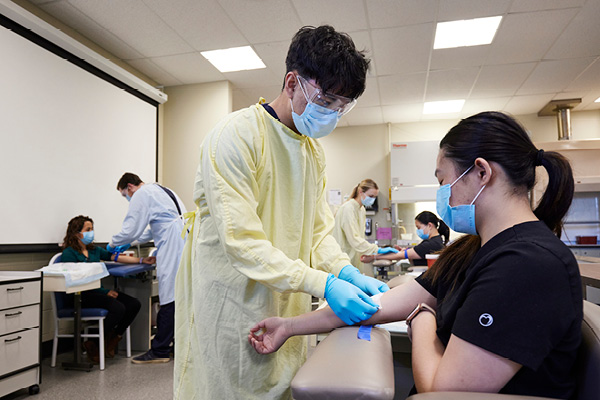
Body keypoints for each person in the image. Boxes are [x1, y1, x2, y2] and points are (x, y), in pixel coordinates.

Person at [249, 111, 582, 399]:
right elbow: (375, 307)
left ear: (482, 172)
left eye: (443, 180)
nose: (442, 194)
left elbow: (442, 391)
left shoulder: (528, 265)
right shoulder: (473, 250)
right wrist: (289, 326)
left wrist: (423, 318)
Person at [174, 25, 389, 399]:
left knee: (285, 384)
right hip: (231, 299)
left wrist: (345, 271)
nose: (332, 114)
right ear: (292, 83)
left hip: (286, 296)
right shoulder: (236, 136)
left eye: (342, 107)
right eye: (327, 101)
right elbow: (241, 241)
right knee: (229, 386)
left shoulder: (311, 152)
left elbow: (319, 232)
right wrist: (323, 284)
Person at [109, 172, 187, 364]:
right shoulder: (163, 190)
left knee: (169, 295)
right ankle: (177, 346)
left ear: (130, 187)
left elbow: (131, 228)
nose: (127, 199)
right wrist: (132, 241)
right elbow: (151, 229)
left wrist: (113, 243)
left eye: (124, 195)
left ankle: (160, 350)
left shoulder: (142, 194)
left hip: (172, 244)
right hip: (183, 240)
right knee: (180, 296)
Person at [60, 215, 152, 364]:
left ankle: (113, 338)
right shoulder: (69, 253)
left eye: (92, 229)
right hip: (80, 295)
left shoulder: (94, 250)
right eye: (88, 229)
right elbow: (75, 280)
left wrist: (141, 260)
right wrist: (105, 292)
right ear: (77, 233)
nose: (91, 233)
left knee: (134, 304)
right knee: (118, 308)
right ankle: (93, 343)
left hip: (97, 292)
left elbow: (115, 257)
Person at [332, 179, 398, 276]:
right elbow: (354, 239)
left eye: (375, 197)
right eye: (371, 196)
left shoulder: (361, 209)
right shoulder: (347, 208)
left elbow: (360, 237)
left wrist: (369, 251)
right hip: (343, 259)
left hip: (354, 259)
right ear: (360, 192)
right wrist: (376, 250)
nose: (373, 199)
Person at [361, 211, 448, 266]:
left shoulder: (431, 244)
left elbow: (400, 255)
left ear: (429, 225)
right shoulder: (436, 241)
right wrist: (405, 250)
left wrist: (373, 257)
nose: (418, 231)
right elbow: (414, 253)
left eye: (418, 227)